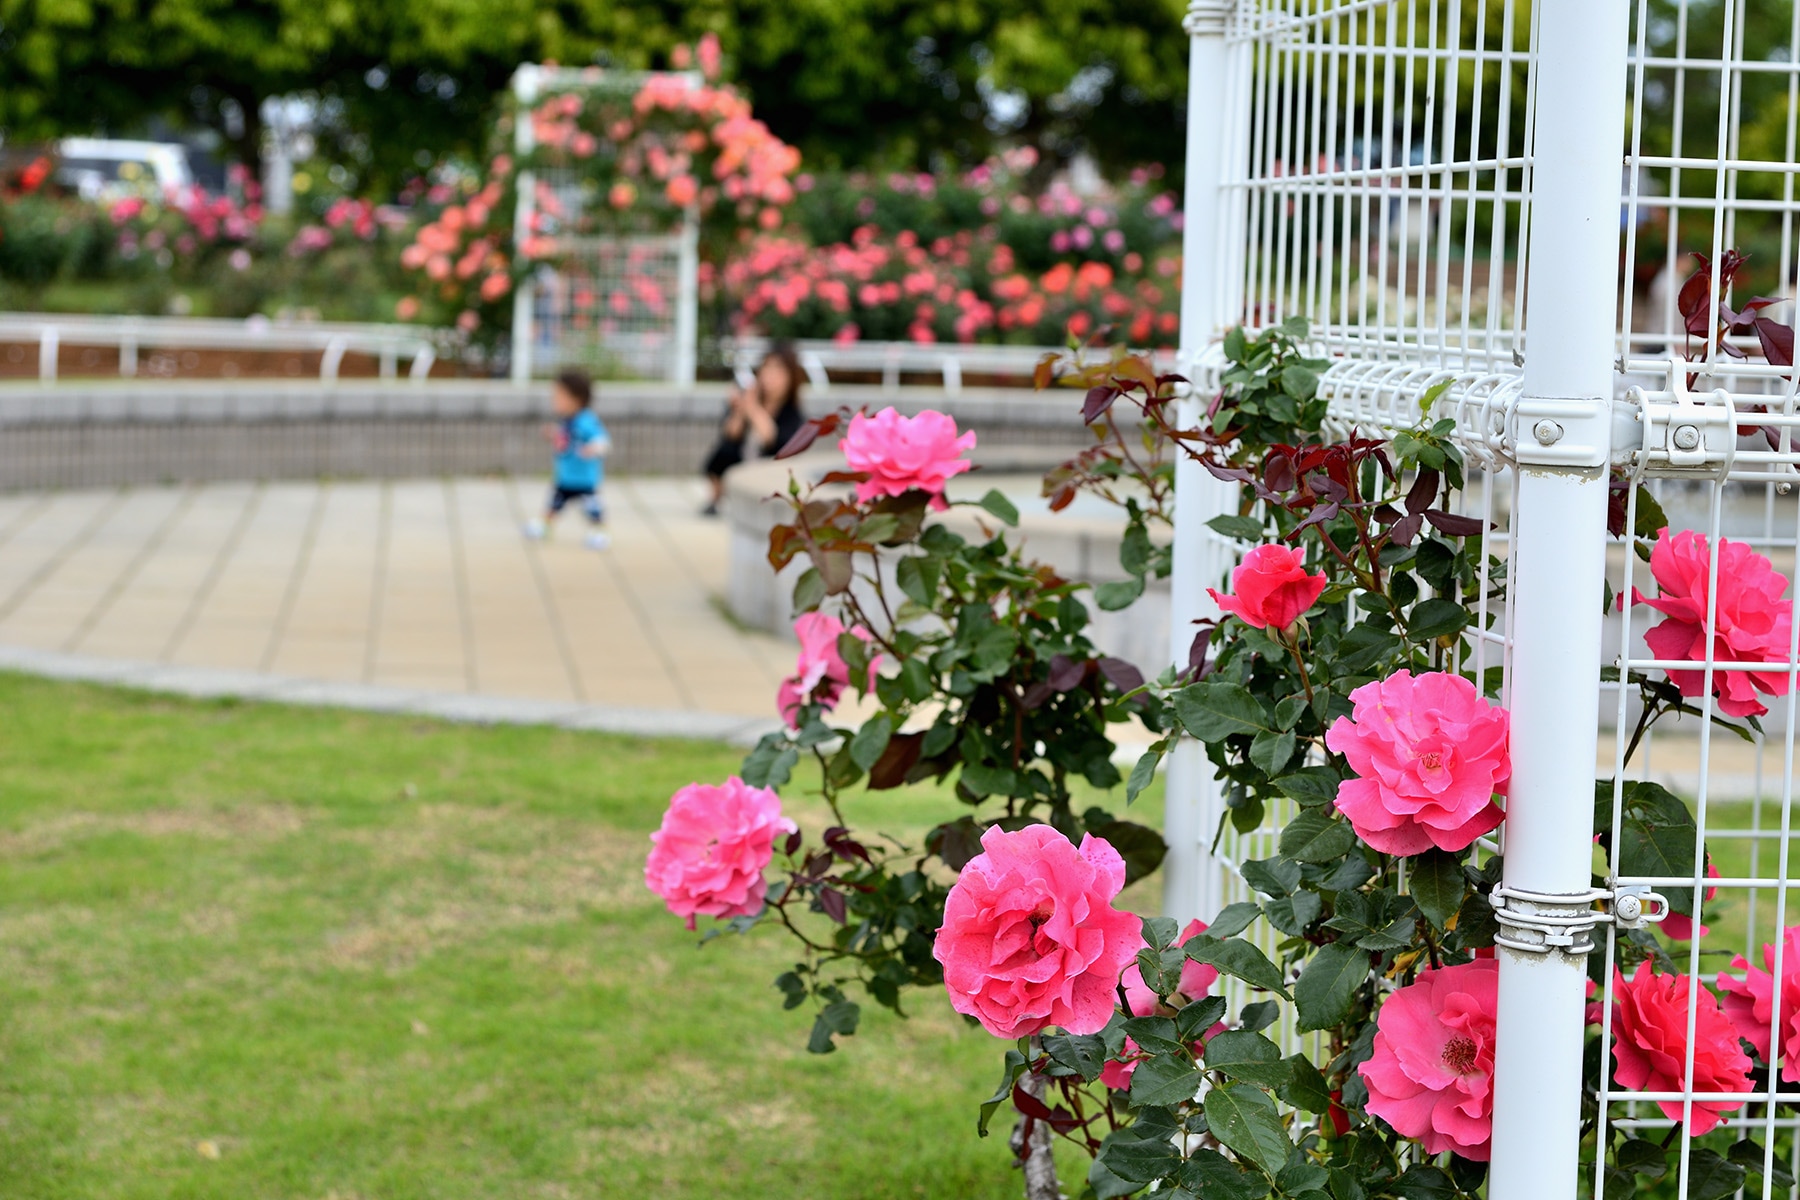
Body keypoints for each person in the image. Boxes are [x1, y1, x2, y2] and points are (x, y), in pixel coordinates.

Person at [701, 341, 806, 516]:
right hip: (743, 456)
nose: (770, 376)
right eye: (767, 368)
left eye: (778, 370)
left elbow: (772, 438)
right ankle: (716, 499)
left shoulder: (791, 412)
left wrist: (752, 407)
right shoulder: (749, 397)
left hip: (772, 466)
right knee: (723, 452)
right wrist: (739, 410)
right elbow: (730, 433)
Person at [524, 369, 612, 550]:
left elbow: (602, 441)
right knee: (554, 504)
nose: (553, 400)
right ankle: (545, 526)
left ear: (576, 398)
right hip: (566, 475)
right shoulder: (567, 420)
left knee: (592, 508)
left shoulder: (586, 421)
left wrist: (593, 449)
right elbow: (566, 440)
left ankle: (600, 531)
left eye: (558, 396)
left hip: (584, 477)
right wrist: (553, 434)